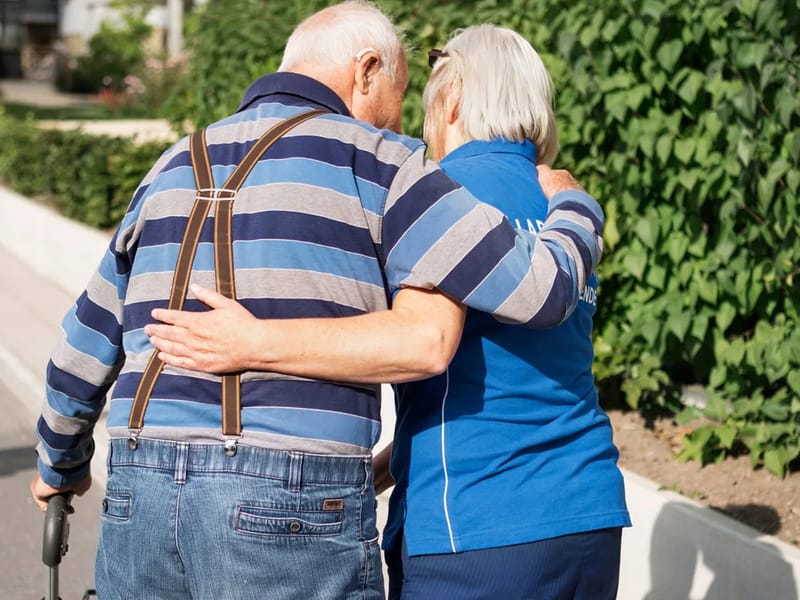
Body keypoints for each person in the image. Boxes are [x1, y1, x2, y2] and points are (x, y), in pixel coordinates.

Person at [30, 2, 603, 598]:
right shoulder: (379, 162)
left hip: (138, 487)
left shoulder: (173, 163)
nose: (401, 121)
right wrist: (577, 206)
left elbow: (83, 343)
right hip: (292, 495)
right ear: (366, 70)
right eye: (399, 95)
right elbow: (542, 290)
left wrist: (58, 467)